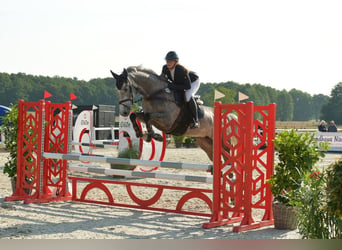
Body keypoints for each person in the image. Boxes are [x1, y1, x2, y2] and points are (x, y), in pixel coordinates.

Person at [161, 51, 200, 128]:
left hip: (193, 82)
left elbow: (187, 86)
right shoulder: (165, 68)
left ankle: (196, 120)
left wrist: (173, 86)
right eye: (167, 60)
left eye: (170, 61)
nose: (168, 62)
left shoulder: (180, 70)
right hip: (180, 84)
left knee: (187, 95)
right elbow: (161, 79)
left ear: (175, 62)